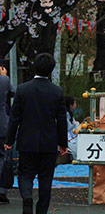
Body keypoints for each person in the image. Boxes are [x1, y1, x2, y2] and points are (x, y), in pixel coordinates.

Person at [5, 53, 67, 214]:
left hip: (27, 140)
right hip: (48, 142)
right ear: (51, 70)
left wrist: (9, 140)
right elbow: (61, 120)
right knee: (46, 178)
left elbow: (14, 118)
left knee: (25, 174)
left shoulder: (23, 89)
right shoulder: (57, 92)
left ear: (35, 67)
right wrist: (63, 143)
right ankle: (42, 210)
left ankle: (27, 197)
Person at [0, 62, 13, 204]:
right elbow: (13, 92)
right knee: (3, 156)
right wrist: (4, 76)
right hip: (1, 125)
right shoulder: (4, 80)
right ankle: (2, 189)